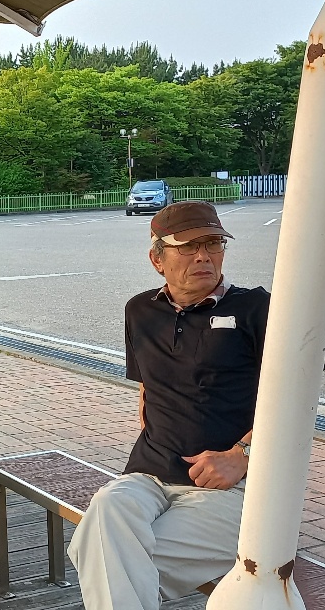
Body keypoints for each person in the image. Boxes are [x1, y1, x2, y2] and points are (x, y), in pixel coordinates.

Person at [68, 201, 269, 610]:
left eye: (213, 244)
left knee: (105, 557)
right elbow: (148, 390)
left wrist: (243, 454)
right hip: (148, 475)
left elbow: (297, 406)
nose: (204, 256)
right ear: (157, 260)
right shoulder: (141, 311)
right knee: (105, 509)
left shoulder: (255, 309)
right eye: (189, 246)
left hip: (231, 488)